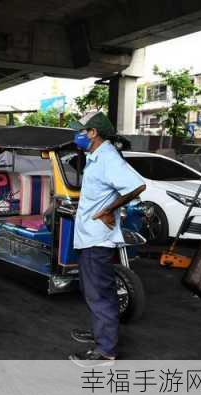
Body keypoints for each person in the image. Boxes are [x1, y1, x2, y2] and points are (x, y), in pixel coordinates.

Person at [67, 112, 146, 366]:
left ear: (93, 133)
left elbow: (136, 186)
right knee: (95, 289)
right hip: (90, 236)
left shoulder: (108, 157)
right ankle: (101, 332)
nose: (77, 134)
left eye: (81, 130)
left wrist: (109, 210)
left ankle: (105, 351)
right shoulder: (96, 156)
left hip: (97, 238)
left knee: (99, 293)